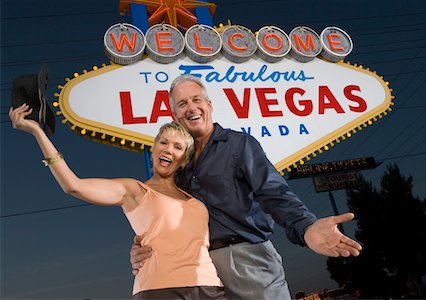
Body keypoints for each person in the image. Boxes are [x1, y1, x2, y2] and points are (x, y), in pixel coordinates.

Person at [130, 74, 363, 300]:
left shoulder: (239, 145)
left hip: (246, 260)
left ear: (209, 105)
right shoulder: (176, 165)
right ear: (174, 115)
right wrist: (142, 248)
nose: (191, 108)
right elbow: (161, 216)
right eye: (182, 104)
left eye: (196, 100)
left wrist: (306, 226)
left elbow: (273, 192)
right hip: (194, 270)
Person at [9, 104, 227, 300]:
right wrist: (37, 132)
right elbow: (73, 185)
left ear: (184, 160)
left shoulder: (197, 202)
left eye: (178, 147)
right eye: (163, 142)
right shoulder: (135, 190)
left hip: (210, 289)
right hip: (161, 290)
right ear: (153, 150)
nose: (169, 149)